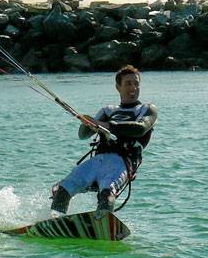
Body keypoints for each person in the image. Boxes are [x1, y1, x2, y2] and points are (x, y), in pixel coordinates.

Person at [51, 65, 158, 217]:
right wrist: (87, 122)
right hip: (98, 160)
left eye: (136, 84)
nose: (133, 87)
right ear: (118, 87)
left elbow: (140, 128)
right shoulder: (107, 111)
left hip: (122, 162)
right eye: (128, 83)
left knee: (106, 195)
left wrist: (106, 125)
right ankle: (55, 220)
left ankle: (102, 222)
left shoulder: (147, 109)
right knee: (62, 190)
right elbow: (83, 135)